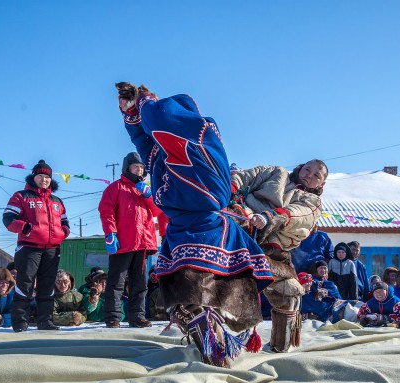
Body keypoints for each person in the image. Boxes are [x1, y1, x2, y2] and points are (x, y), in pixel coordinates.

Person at [117, 82, 273, 366]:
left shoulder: (201, 135)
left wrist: (144, 101)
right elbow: (145, 140)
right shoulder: (168, 150)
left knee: (202, 293)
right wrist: (131, 115)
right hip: (182, 226)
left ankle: (218, 345)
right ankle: (213, 344)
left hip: (207, 225)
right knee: (187, 298)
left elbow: (161, 116)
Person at [228, 158, 327, 352]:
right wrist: (229, 189)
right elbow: (246, 177)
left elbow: (298, 214)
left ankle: (280, 347)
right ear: (300, 168)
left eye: (317, 175)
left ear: (322, 183)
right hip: (240, 226)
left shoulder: (313, 203)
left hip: (272, 249)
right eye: (308, 169)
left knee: (290, 295)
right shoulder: (277, 172)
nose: (309, 175)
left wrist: (270, 217)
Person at [3, 159, 70, 332]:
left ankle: (45, 321)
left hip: (52, 249)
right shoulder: (21, 196)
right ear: (33, 178)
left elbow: (65, 222)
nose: (44, 180)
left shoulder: (57, 201)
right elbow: (8, 218)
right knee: (25, 284)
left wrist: (64, 233)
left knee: (47, 286)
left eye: (47, 177)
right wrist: (24, 227)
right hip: (29, 247)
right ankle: (20, 322)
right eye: (40, 176)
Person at [98, 152, 161, 329]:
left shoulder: (146, 189)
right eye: (136, 167)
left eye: (141, 168)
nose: (139, 170)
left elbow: (157, 212)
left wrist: (148, 195)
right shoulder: (115, 188)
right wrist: (110, 233)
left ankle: (137, 317)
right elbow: (106, 211)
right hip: (123, 243)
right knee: (116, 282)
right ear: (127, 168)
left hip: (142, 243)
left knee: (140, 283)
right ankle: (112, 317)